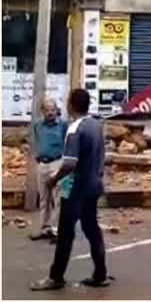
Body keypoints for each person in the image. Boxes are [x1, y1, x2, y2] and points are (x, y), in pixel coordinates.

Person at [30, 89, 109, 291]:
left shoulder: (74, 129)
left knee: (65, 233)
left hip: (76, 188)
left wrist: (54, 180)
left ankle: (56, 277)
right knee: (92, 230)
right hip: (94, 184)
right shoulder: (96, 125)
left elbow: (69, 164)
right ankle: (100, 274)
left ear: (70, 105)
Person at [28, 98, 67, 242]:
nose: (50, 113)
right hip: (42, 164)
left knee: (57, 198)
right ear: (42, 111)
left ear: (57, 111)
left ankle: (56, 229)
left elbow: (67, 142)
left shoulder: (63, 125)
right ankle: (45, 228)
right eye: (47, 110)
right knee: (44, 198)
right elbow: (36, 141)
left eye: (53, 110)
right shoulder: (38, 125)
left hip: (57, 163)